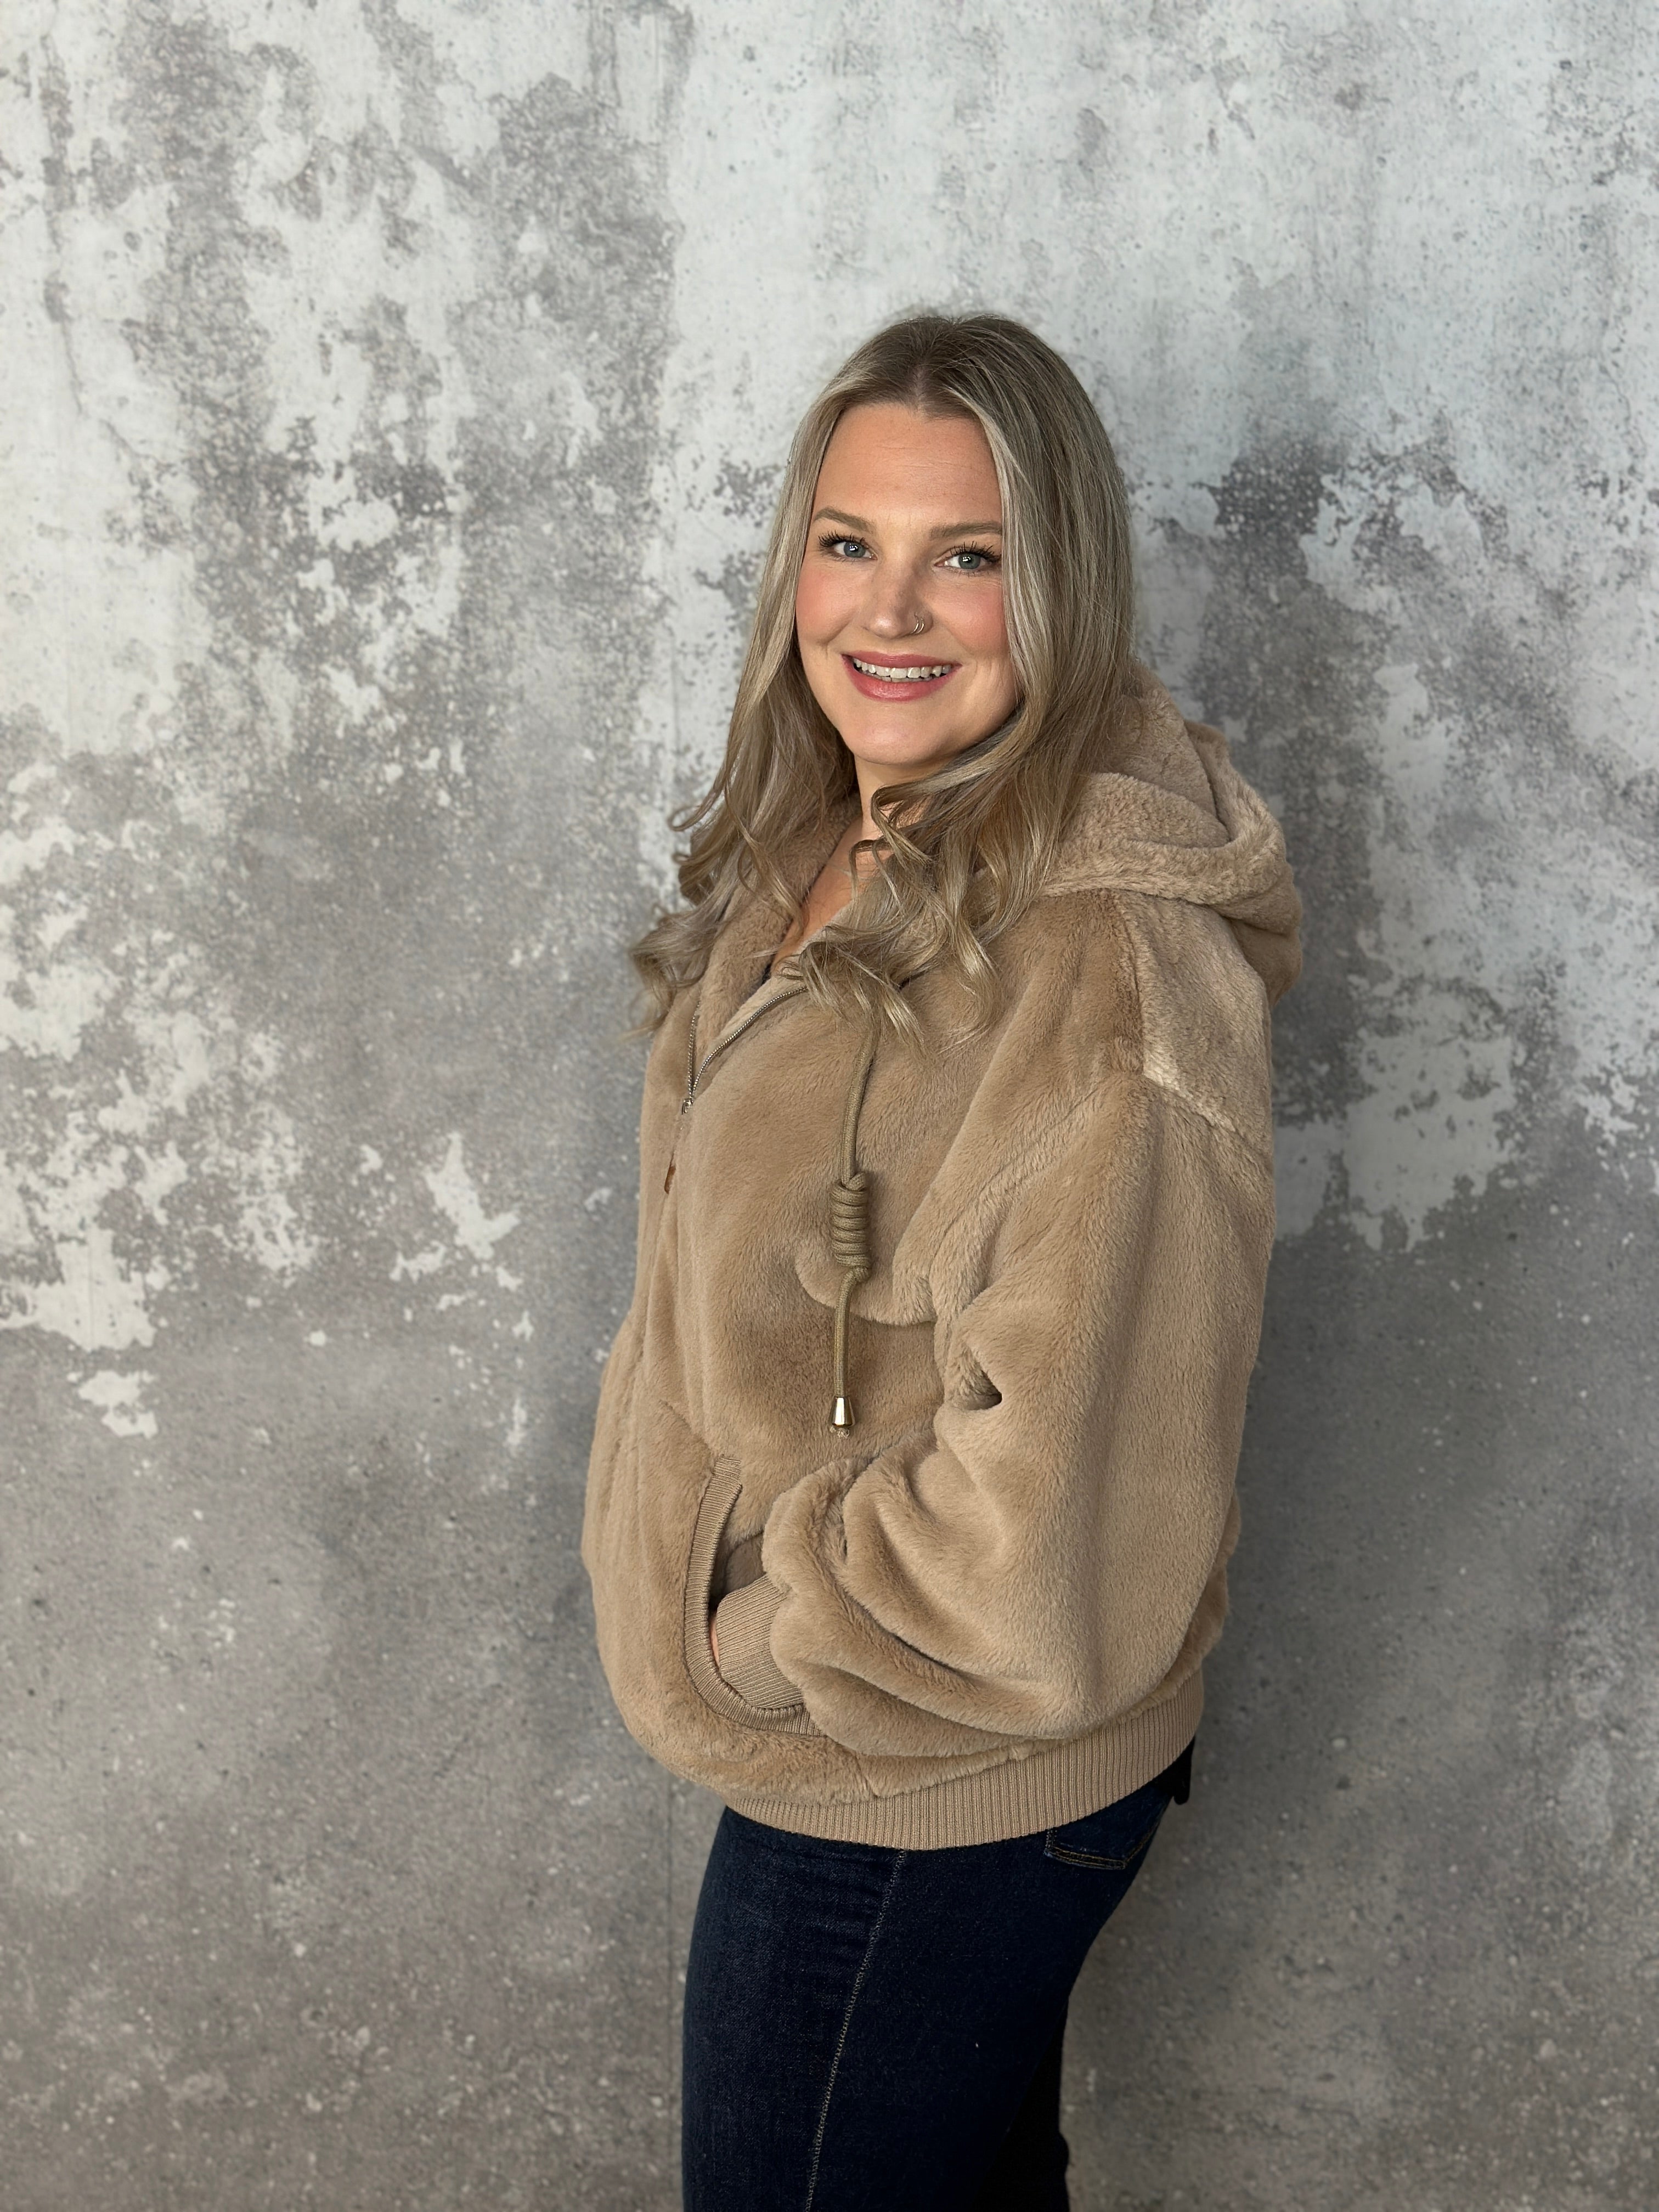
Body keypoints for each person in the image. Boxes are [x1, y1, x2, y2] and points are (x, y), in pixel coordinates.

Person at [582, 311, 1301, 2210]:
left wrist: (759, 1639)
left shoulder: (1106, 973)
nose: (887, 610)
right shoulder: (835, 831)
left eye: (964, 555)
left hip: (920, 1789)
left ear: (1055, 583)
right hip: (882, 1761)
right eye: (849, 541)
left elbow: (1052, 1511)